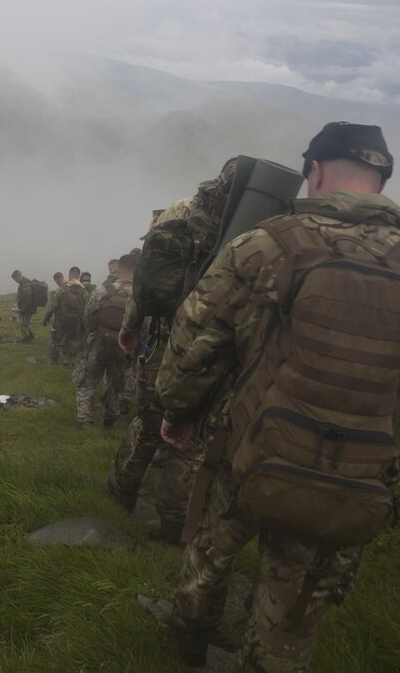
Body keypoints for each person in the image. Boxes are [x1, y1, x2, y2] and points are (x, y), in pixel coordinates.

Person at [154, 123, 400, 670]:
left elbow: (195, 343)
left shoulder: (264, 245)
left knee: (210, 553)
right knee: (295, 604)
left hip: (247, 445)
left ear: (315, 170)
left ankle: (186, 645)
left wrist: (178, 413)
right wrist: (390, 454)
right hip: (354, 472)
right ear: (384, 178)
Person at [108, 158, 239, 544]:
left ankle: (120, 496)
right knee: (190, 442)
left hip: (163, 338)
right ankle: (173, 528)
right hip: (214, 349)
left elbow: (147, 280)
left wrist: (130, 327)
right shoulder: (258, 225)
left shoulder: (180, 210)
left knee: (147, 422)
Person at [72, 254, 135, 427]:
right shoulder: (140, 294)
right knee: (115, 384)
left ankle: (85, 419)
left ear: (118, 269)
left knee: (86, 382)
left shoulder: (103, 290)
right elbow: (145, 326)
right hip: (124, 349)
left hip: (99, 345)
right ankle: (110, 417)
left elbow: (87, 318)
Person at [44, 267, 88, 365]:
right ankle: (67, 359)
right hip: (75, 322)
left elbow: (53, 305)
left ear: (69, 275)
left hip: (61, 320)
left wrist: (46, 317)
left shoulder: (62, 288)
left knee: (54, 340)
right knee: (71, 341)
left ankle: (53, 360)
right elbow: (87, 308)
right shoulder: (84, 291)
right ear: (78, 276)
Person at [11, 270, 37, 343]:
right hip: (26, 308)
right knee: (26, 323)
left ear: (18, 276)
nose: (15, 281)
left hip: (28, 308)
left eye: (15, 279)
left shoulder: (26, 285)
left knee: (23, 324)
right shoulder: (22, 283)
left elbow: (28, 301)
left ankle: (26, 339)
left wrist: (22, 310)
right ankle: (31, 336)